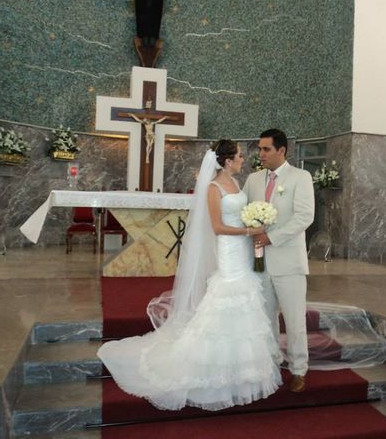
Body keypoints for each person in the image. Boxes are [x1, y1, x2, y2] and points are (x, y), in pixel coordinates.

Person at [97, 140, 282, 411]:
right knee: (228, 299)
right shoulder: (213, 188)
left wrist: (254, 223)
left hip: (243, 249)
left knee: (246, 300)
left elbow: (239, 215)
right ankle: (208, 367)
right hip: (230, 251)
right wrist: (247, 232)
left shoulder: (236, 185)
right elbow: (218, 227)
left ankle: (238, 367)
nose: (244, 159)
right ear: (228, 161)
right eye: (240, 156)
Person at [243, 129, 315, 393]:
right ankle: (272, 364)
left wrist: (271, 237)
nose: (260, 154)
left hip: (288, 262)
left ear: (281, 151)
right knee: (265, 318)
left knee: (295, 320)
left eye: (266, 149)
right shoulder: (252, 179)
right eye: (259, 149)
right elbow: (243, 211)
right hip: (259, 263)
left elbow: (304, 217)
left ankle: (298, 369)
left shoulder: (300, 177)